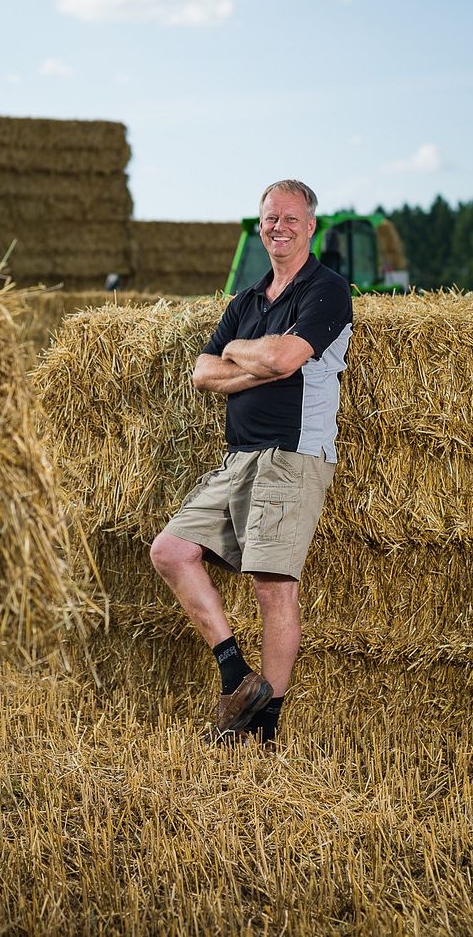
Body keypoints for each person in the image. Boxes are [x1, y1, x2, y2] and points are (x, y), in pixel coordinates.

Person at [150, 179, 353, 747]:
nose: (278, 227)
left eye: (290, 219)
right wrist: (255, 357)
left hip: (291, 455)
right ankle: (237, 676)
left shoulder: (327, 290)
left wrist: (244, 351)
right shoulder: (247, 299)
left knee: (272, 588)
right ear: (260, 224)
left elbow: (288, 359)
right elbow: (201, 372)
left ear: (310, 226)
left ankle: (262, 729)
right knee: (170, 550)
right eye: (270, 219)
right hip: (238, 457)